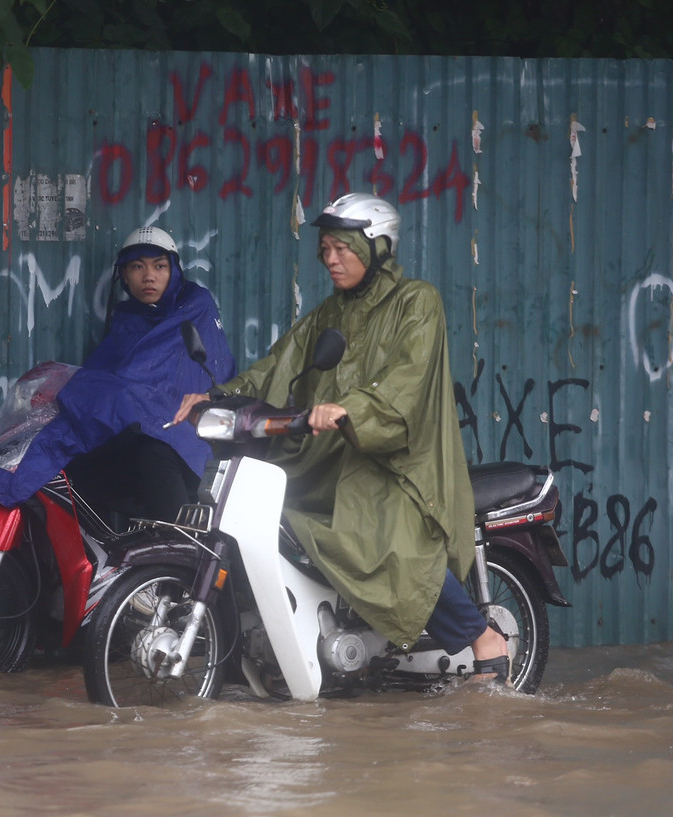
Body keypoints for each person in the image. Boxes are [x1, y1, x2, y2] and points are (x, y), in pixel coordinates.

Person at [172, 193, 511, 684]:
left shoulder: (417, 301)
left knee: (386, 534)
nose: (330, 259)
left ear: (377, 247)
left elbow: (406, 382)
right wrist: (219, 395)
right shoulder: (330, 313)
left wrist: (350, 410)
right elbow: (278, 365)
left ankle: (483, 638)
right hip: (334, 454)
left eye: (342, 248)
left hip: (400, 460)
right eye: (325, 248)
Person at [0, 227, 235, 522]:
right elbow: (111, 377)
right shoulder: (128, 319)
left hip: (183, 442)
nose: (148, 276)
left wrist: (123, 397)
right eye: (138, 267)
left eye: (160, 266)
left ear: (174, 270)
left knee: (153, 455)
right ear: (124, 275)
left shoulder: (195, 306)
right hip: (138, 434)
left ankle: (181, 557)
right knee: (69, 467)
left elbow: (165, 379)